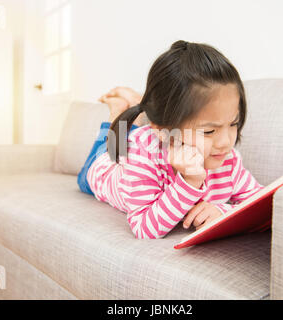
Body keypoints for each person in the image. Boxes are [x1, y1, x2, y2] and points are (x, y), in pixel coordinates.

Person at [77, 40, 264, 239]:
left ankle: (136, 110)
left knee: (125, 139)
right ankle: (117, 111)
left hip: (147, 139)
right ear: (164, 130)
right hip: (103, 172)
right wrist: (189, 182)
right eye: (209, 131)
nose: (226, 142)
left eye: (233, 124)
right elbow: (144, 228)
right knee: (105, 152)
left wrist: (224, 212)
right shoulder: (142, 154)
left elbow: (262, 204)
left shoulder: (228, 160)